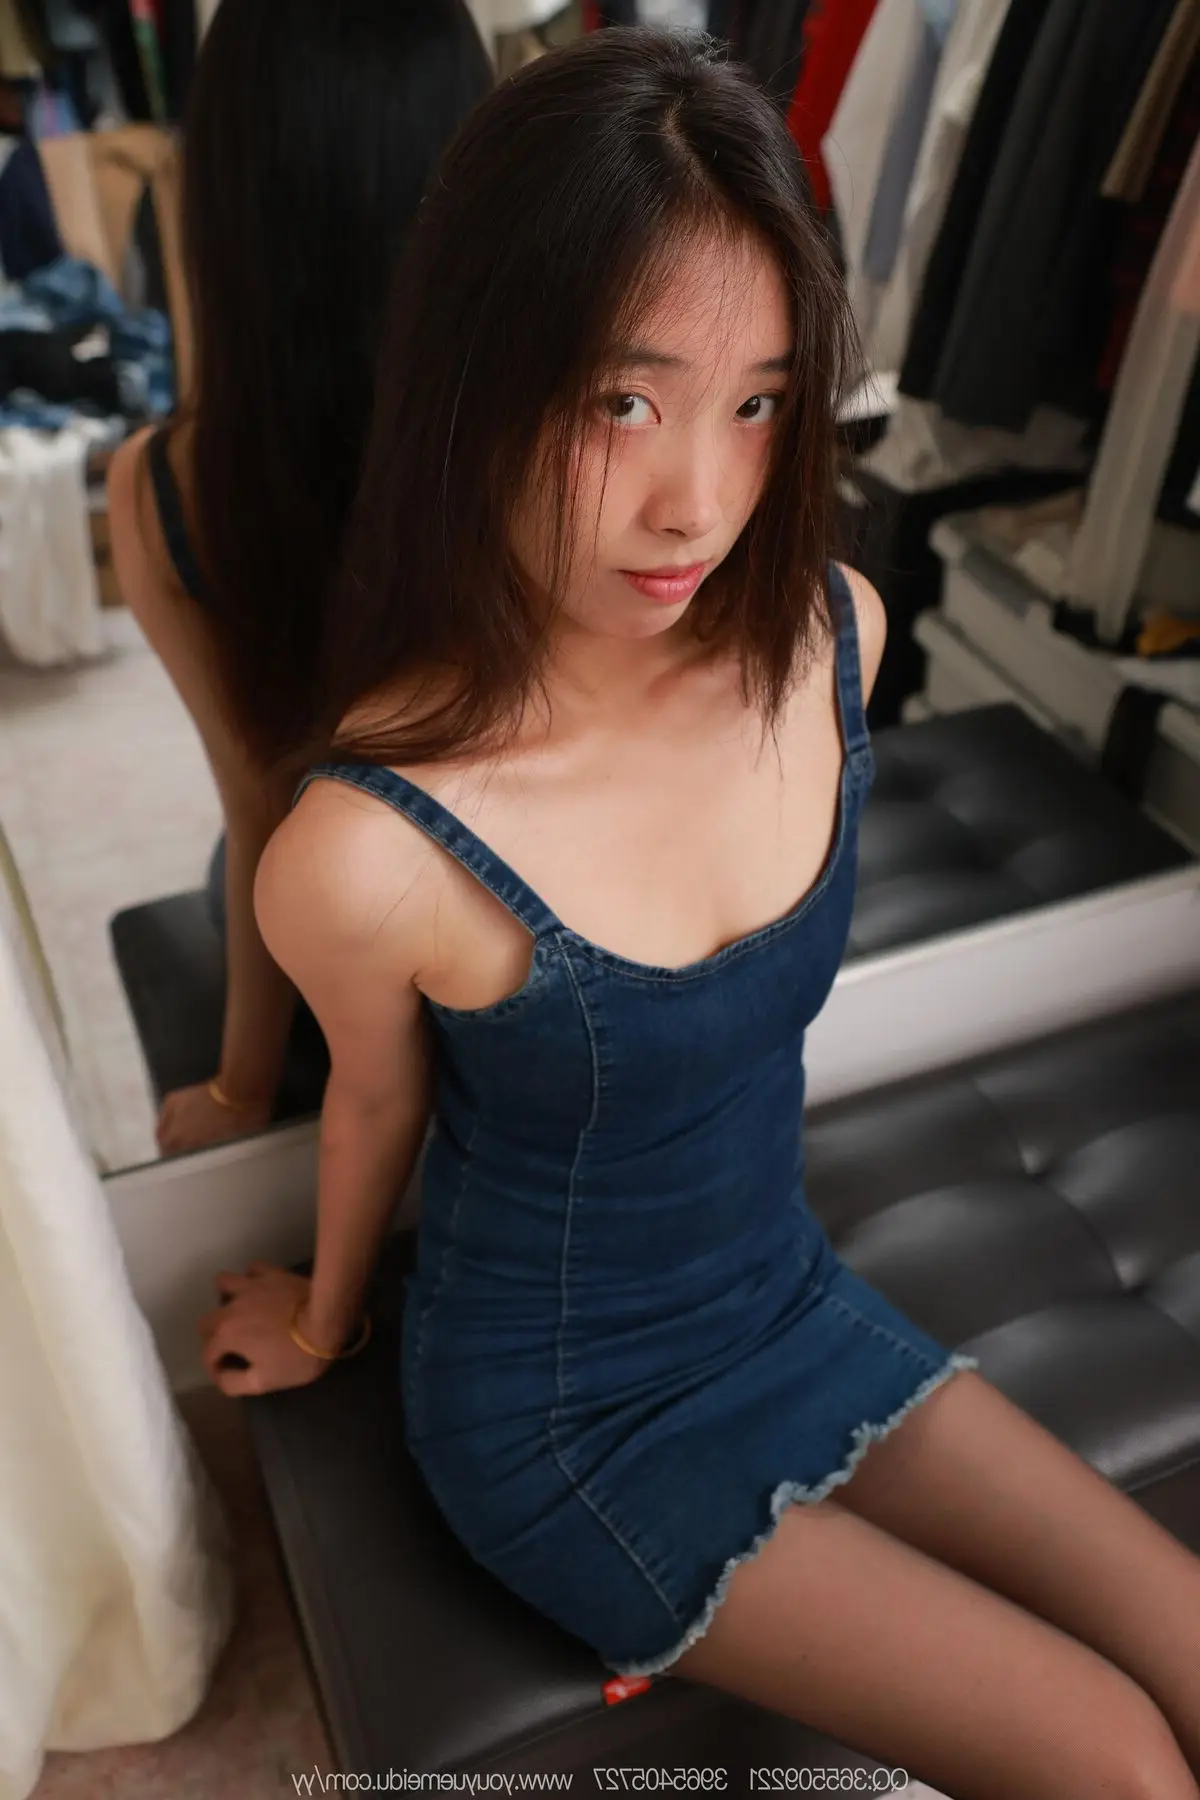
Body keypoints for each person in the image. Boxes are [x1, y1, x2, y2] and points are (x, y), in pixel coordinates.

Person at [198, 31, 1200, 1798]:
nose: (699, 503)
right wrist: (329, 1321)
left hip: (779, 1288)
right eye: (623, 403)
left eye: (757, 404)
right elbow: (377, 1100)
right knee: (1116, 1760)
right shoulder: (368, 847)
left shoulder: (834, 639)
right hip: (562, 1416)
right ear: (476, 380)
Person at [106, 0, 492, 1155]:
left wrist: (239, 1091)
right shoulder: (557, 425)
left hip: (341, 960)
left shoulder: (165, 488)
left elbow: (262, 806)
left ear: (225, 189)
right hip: (539, 954)